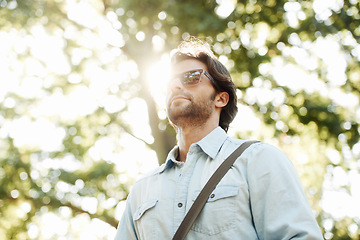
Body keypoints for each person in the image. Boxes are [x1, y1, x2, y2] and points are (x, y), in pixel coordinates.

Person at [114, 37, 323, 240]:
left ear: (221, 98)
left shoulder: (258, 160)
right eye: (168, 83)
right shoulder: (142, 190)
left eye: (191, 77)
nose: (175, 86)